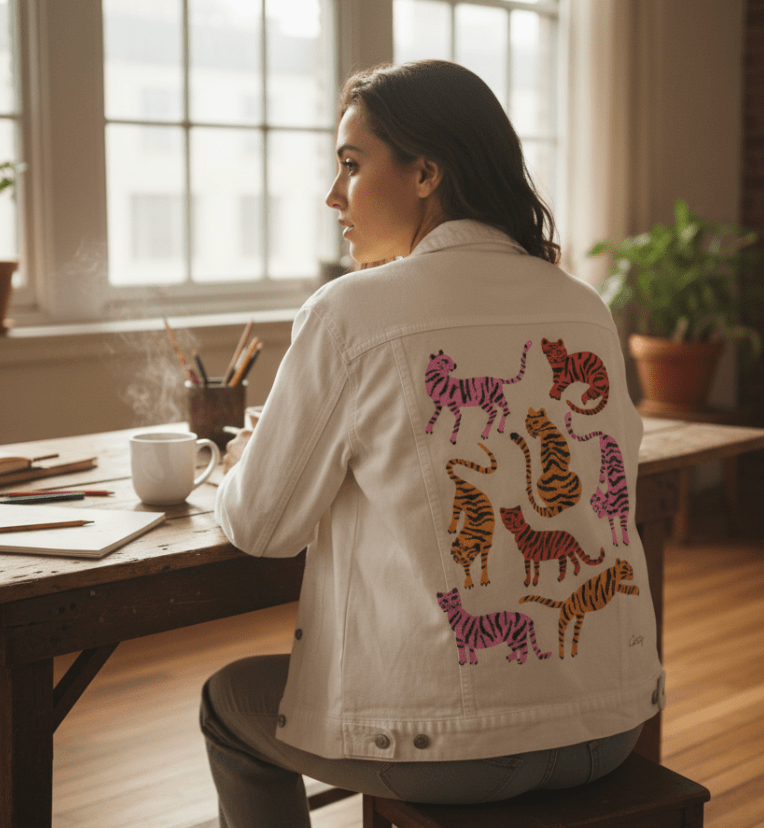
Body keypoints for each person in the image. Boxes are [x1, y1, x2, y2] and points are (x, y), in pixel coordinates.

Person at [201, 60, 665, 828]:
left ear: (425, 172)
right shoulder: (584, 306)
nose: (333, 195)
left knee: (227, 704)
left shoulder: (349, 312)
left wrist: (251, 457)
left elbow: (259, 528)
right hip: (613, 726)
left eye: (351, 165)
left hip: (450, 746)